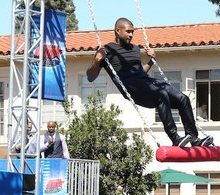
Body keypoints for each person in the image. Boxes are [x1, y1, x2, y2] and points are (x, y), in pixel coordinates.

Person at [86, 17, 213, 147]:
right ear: (118, 31)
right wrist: (96, 60)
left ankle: (194, 139)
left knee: (183, 99)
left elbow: (141, 71)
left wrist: (151, 60)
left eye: (132, 32)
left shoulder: (135, 49)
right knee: (161, 94)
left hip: (146, 83)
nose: (131, 35)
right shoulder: (107, 50)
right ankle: (175, 138)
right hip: (131, 88)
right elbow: (90, 77)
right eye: (128, 31)